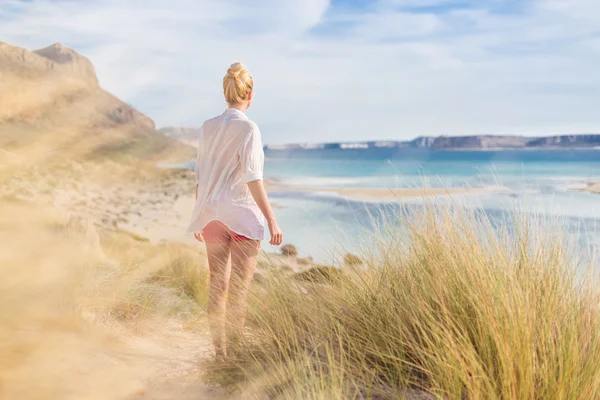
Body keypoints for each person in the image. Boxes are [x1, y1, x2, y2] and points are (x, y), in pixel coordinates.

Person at [188, 62, 283, 358]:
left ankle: (220, 354)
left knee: (217, 287)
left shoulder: (207, 127)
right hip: (241, 215)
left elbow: (201, 176)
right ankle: (236, 357)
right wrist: (272, 220)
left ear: (226, 93)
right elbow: (253, 178)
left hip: (212, 215)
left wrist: (199, 215)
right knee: (239, 292)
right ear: (249, 94)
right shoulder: (249, 128)